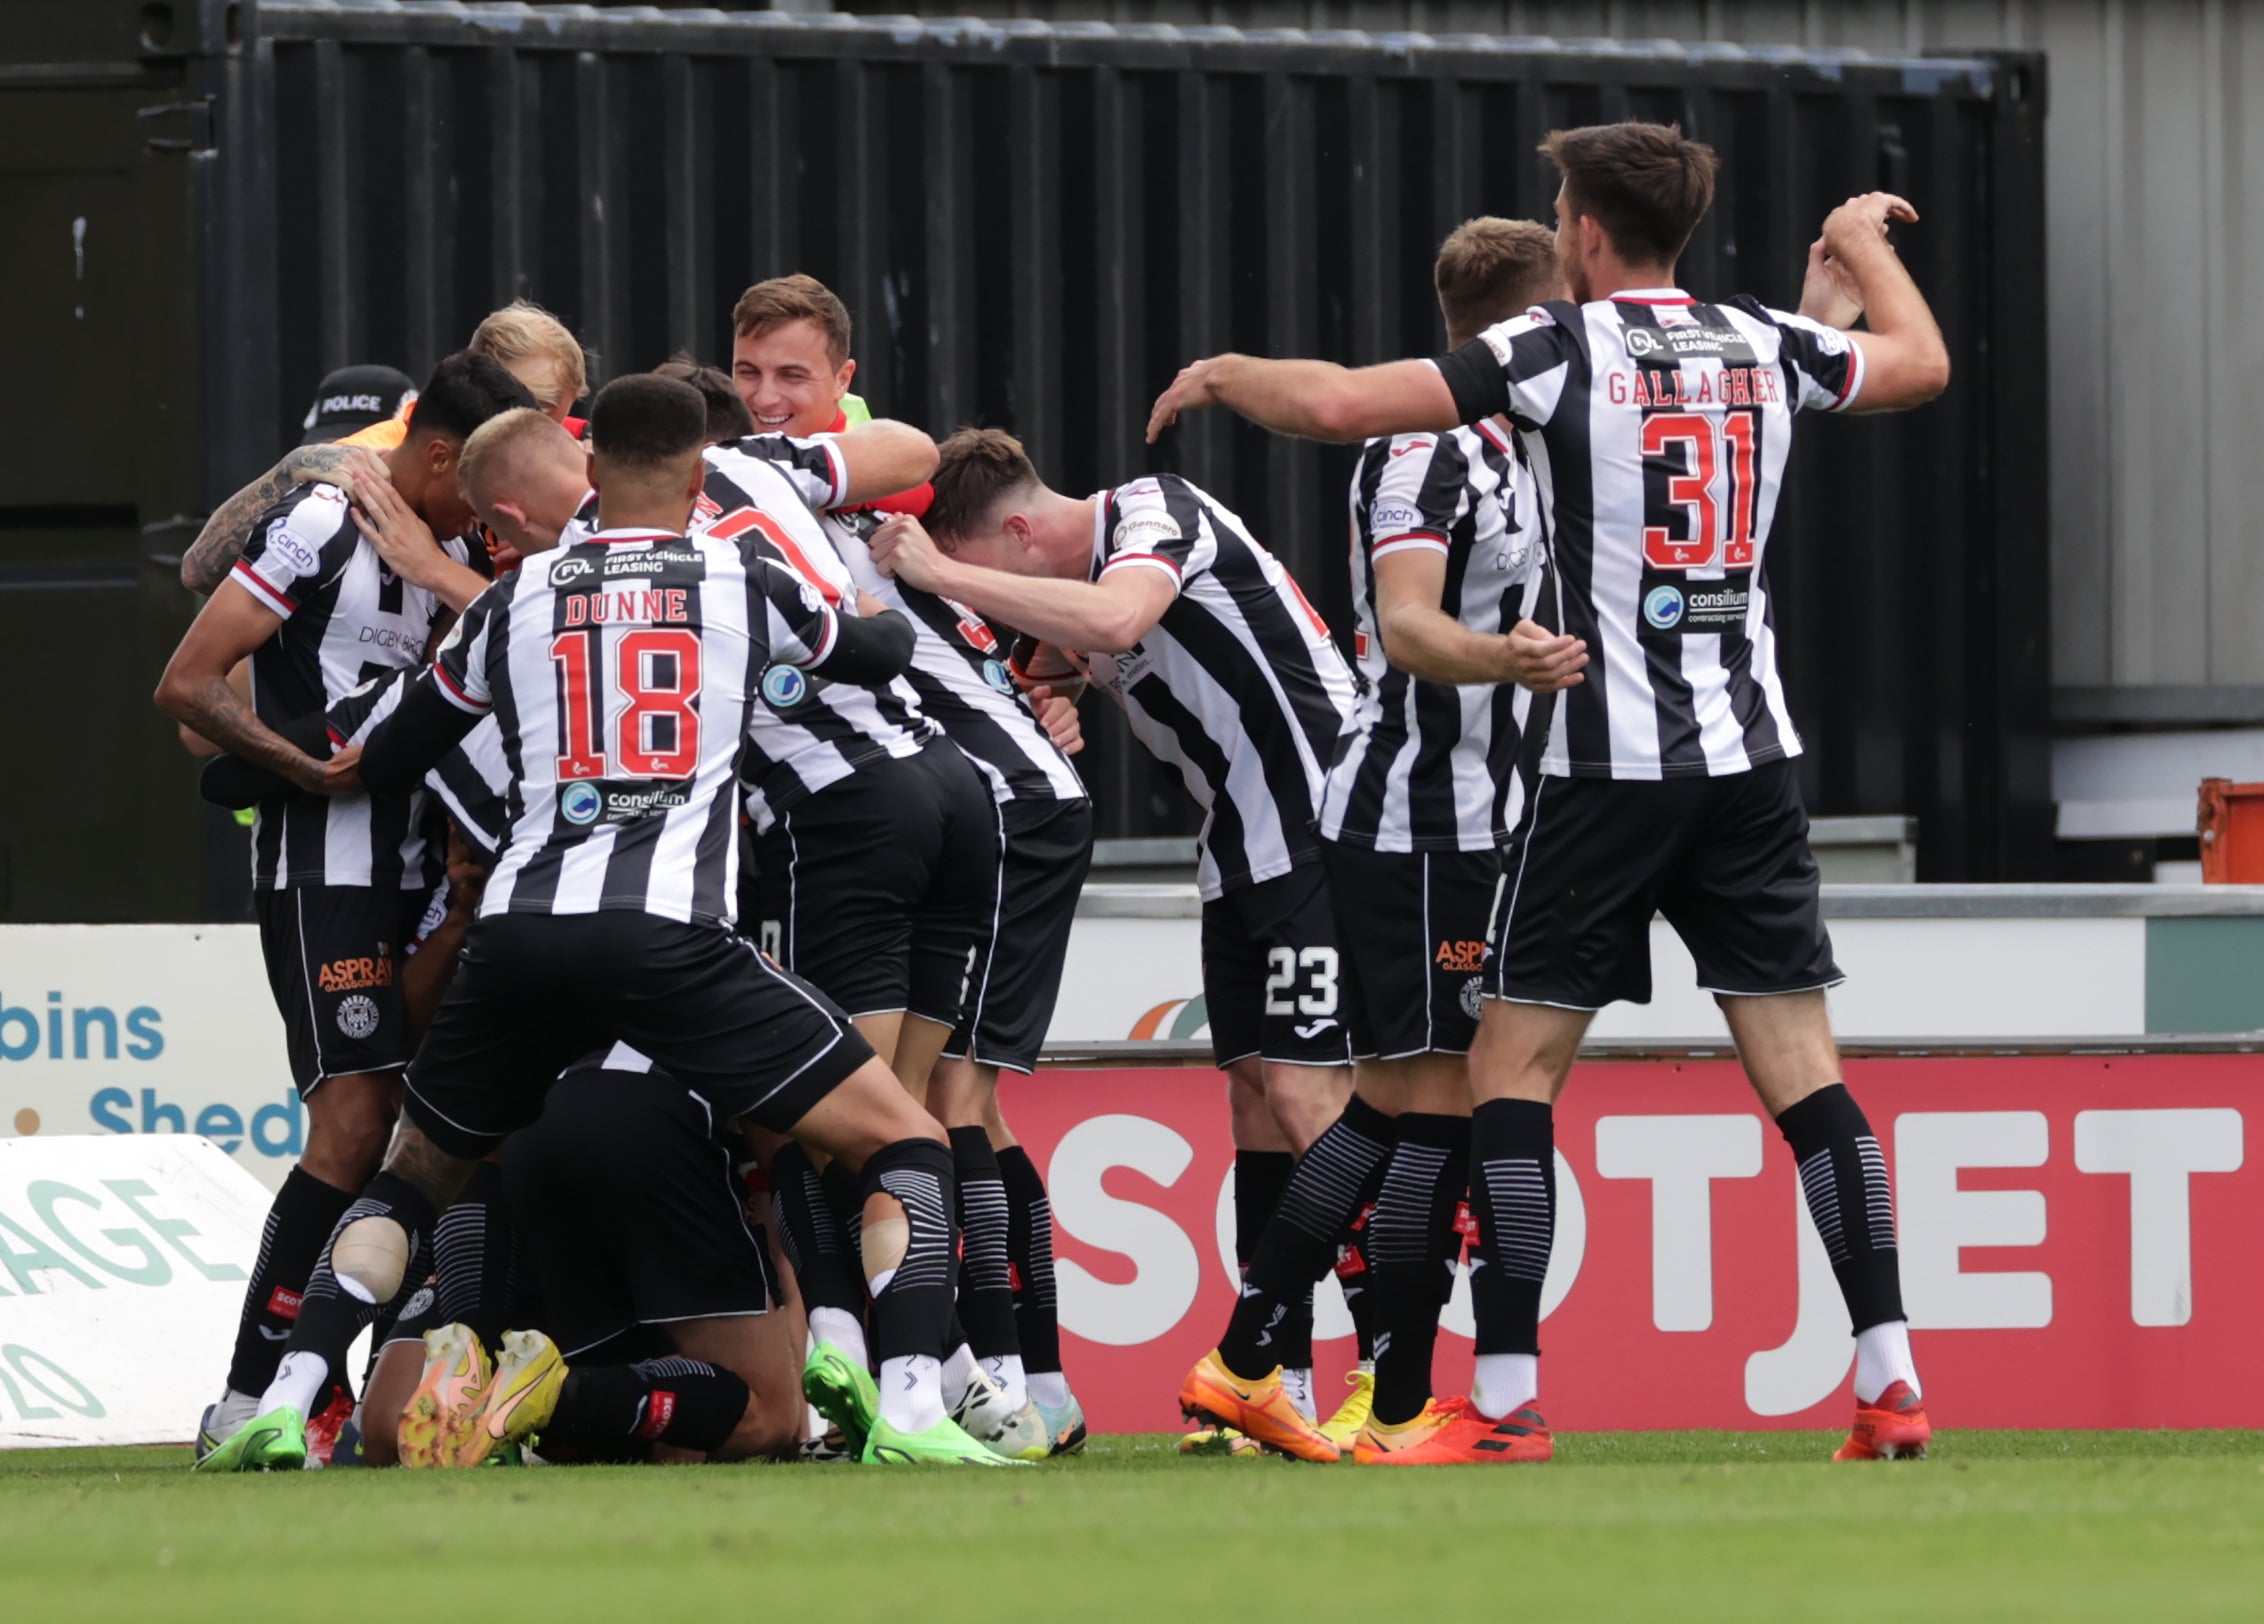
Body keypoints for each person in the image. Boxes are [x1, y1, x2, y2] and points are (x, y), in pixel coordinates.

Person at [1146, 121, 1952, 1464]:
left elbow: (1344, 403)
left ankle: (1503, 1400)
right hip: (1748, 765)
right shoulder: (1761, 343)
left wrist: (1227, 373)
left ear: (1584, 234)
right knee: (1809, 1079)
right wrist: (1862, 249)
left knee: (1504, 1078)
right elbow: (1917, 366)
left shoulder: (1555, 349)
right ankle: (1892, 1379)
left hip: (1598, 770)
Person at [196, 374, 1014, 1472]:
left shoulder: (510, 598)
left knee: (409, 1175)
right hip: (673, 937)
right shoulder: (741, 571)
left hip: (520, 935)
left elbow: (393, 751)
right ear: (692, 475)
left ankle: (284, 1401)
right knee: (900, 1137)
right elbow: (875, 655)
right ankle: (912, 1405)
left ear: (591, 473)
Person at [876, 433, 1394, 1461]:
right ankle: (1271, 1385)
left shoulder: (1154, 514)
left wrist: (937, 573)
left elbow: (1119, 618)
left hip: (1322, 830)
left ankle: (1391, 1378)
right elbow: (1064, 659)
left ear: (1019, 532)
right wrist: (1045, 698)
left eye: (987, 572)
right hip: (1239, 850)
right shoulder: (1072, 593)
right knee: (1252, 1096)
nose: (983, 597)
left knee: (1305, 1096)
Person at [727, 274, 1093, 1457]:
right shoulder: (796, 491)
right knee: (925, 1110)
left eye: (794, 375)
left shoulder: (834, 478)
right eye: (749, 374)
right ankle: (988, 1372)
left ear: (841, 381)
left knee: (894, 1110)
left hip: (967, 805)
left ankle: (966, 1369)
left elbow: (913, 462)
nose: (769, 397)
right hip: (979, 795)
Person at [155, 351, 535, 1461]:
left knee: (434, 1128)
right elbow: (188, 686)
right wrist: (304, 767)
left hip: (432, 875)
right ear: (429, 455)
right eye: (479, 484)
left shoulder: (461, 546)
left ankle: (340, 1392)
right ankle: (247, 1394)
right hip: (327, 870)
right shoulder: (324, 520)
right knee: (355, 1127)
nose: (495, 514)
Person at [1315, 217, 1581, 1462]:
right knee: (1432, 1112)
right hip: (1414, 818)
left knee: (1411, 1110)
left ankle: (1259, 1356)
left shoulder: (1523, 444)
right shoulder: (1421, 450)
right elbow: (1407, 626)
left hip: (1496, 817)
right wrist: (1512, 664)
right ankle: (1404, 1401)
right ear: (1540, 313)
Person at [178, 301, 589, 596]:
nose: (544, 443)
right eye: (525, 419)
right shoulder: (369, 460)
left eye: (555, 425)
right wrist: (292, 469)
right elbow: (204, 576)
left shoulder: (582, 451)